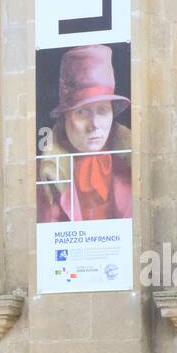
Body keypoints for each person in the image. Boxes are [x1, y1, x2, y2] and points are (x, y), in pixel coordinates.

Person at [37, 44, 132, 223]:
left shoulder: (132, 167)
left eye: (103, 110)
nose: (94, 125)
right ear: (64, 118)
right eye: (82, 112)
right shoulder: (44, 175)